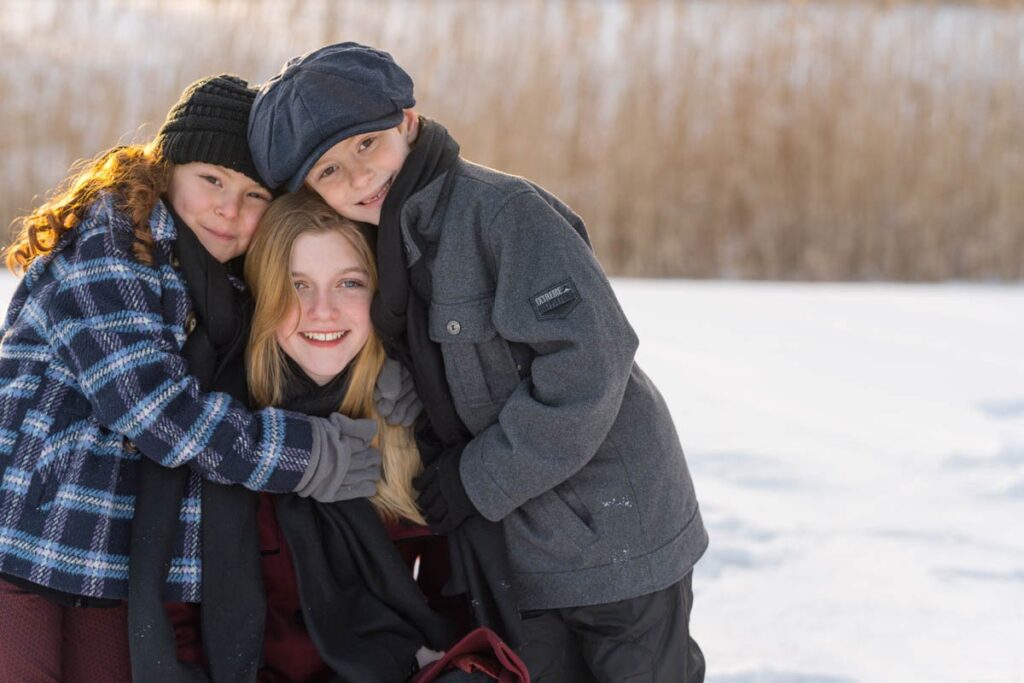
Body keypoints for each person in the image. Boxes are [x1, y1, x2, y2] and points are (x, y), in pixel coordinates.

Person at [247, 43, 709, 682]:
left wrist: (477, 478)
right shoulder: (378, 245)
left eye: (365, 146)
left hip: (615, 530)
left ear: (407, 121)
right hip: (520, 553)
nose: (356, 178)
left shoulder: (502, 214)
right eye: (328, 171)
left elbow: (590, 364)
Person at [0, 74, 382, 682]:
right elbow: (156, 411)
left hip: (109, 563)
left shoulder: (221, 283)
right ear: (166, 168)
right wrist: (306, 456)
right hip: (25, 541)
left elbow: (284, 354)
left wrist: (380, 381)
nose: (230, 210)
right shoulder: (109, 247)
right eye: (213, 181)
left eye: (256, 195)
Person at [239, 189, 518, 682]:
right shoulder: (227, 433)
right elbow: (181, 624)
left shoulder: (412, 427)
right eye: (297, 284)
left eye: (348, 283)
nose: (322, 310)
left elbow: (450, 602)